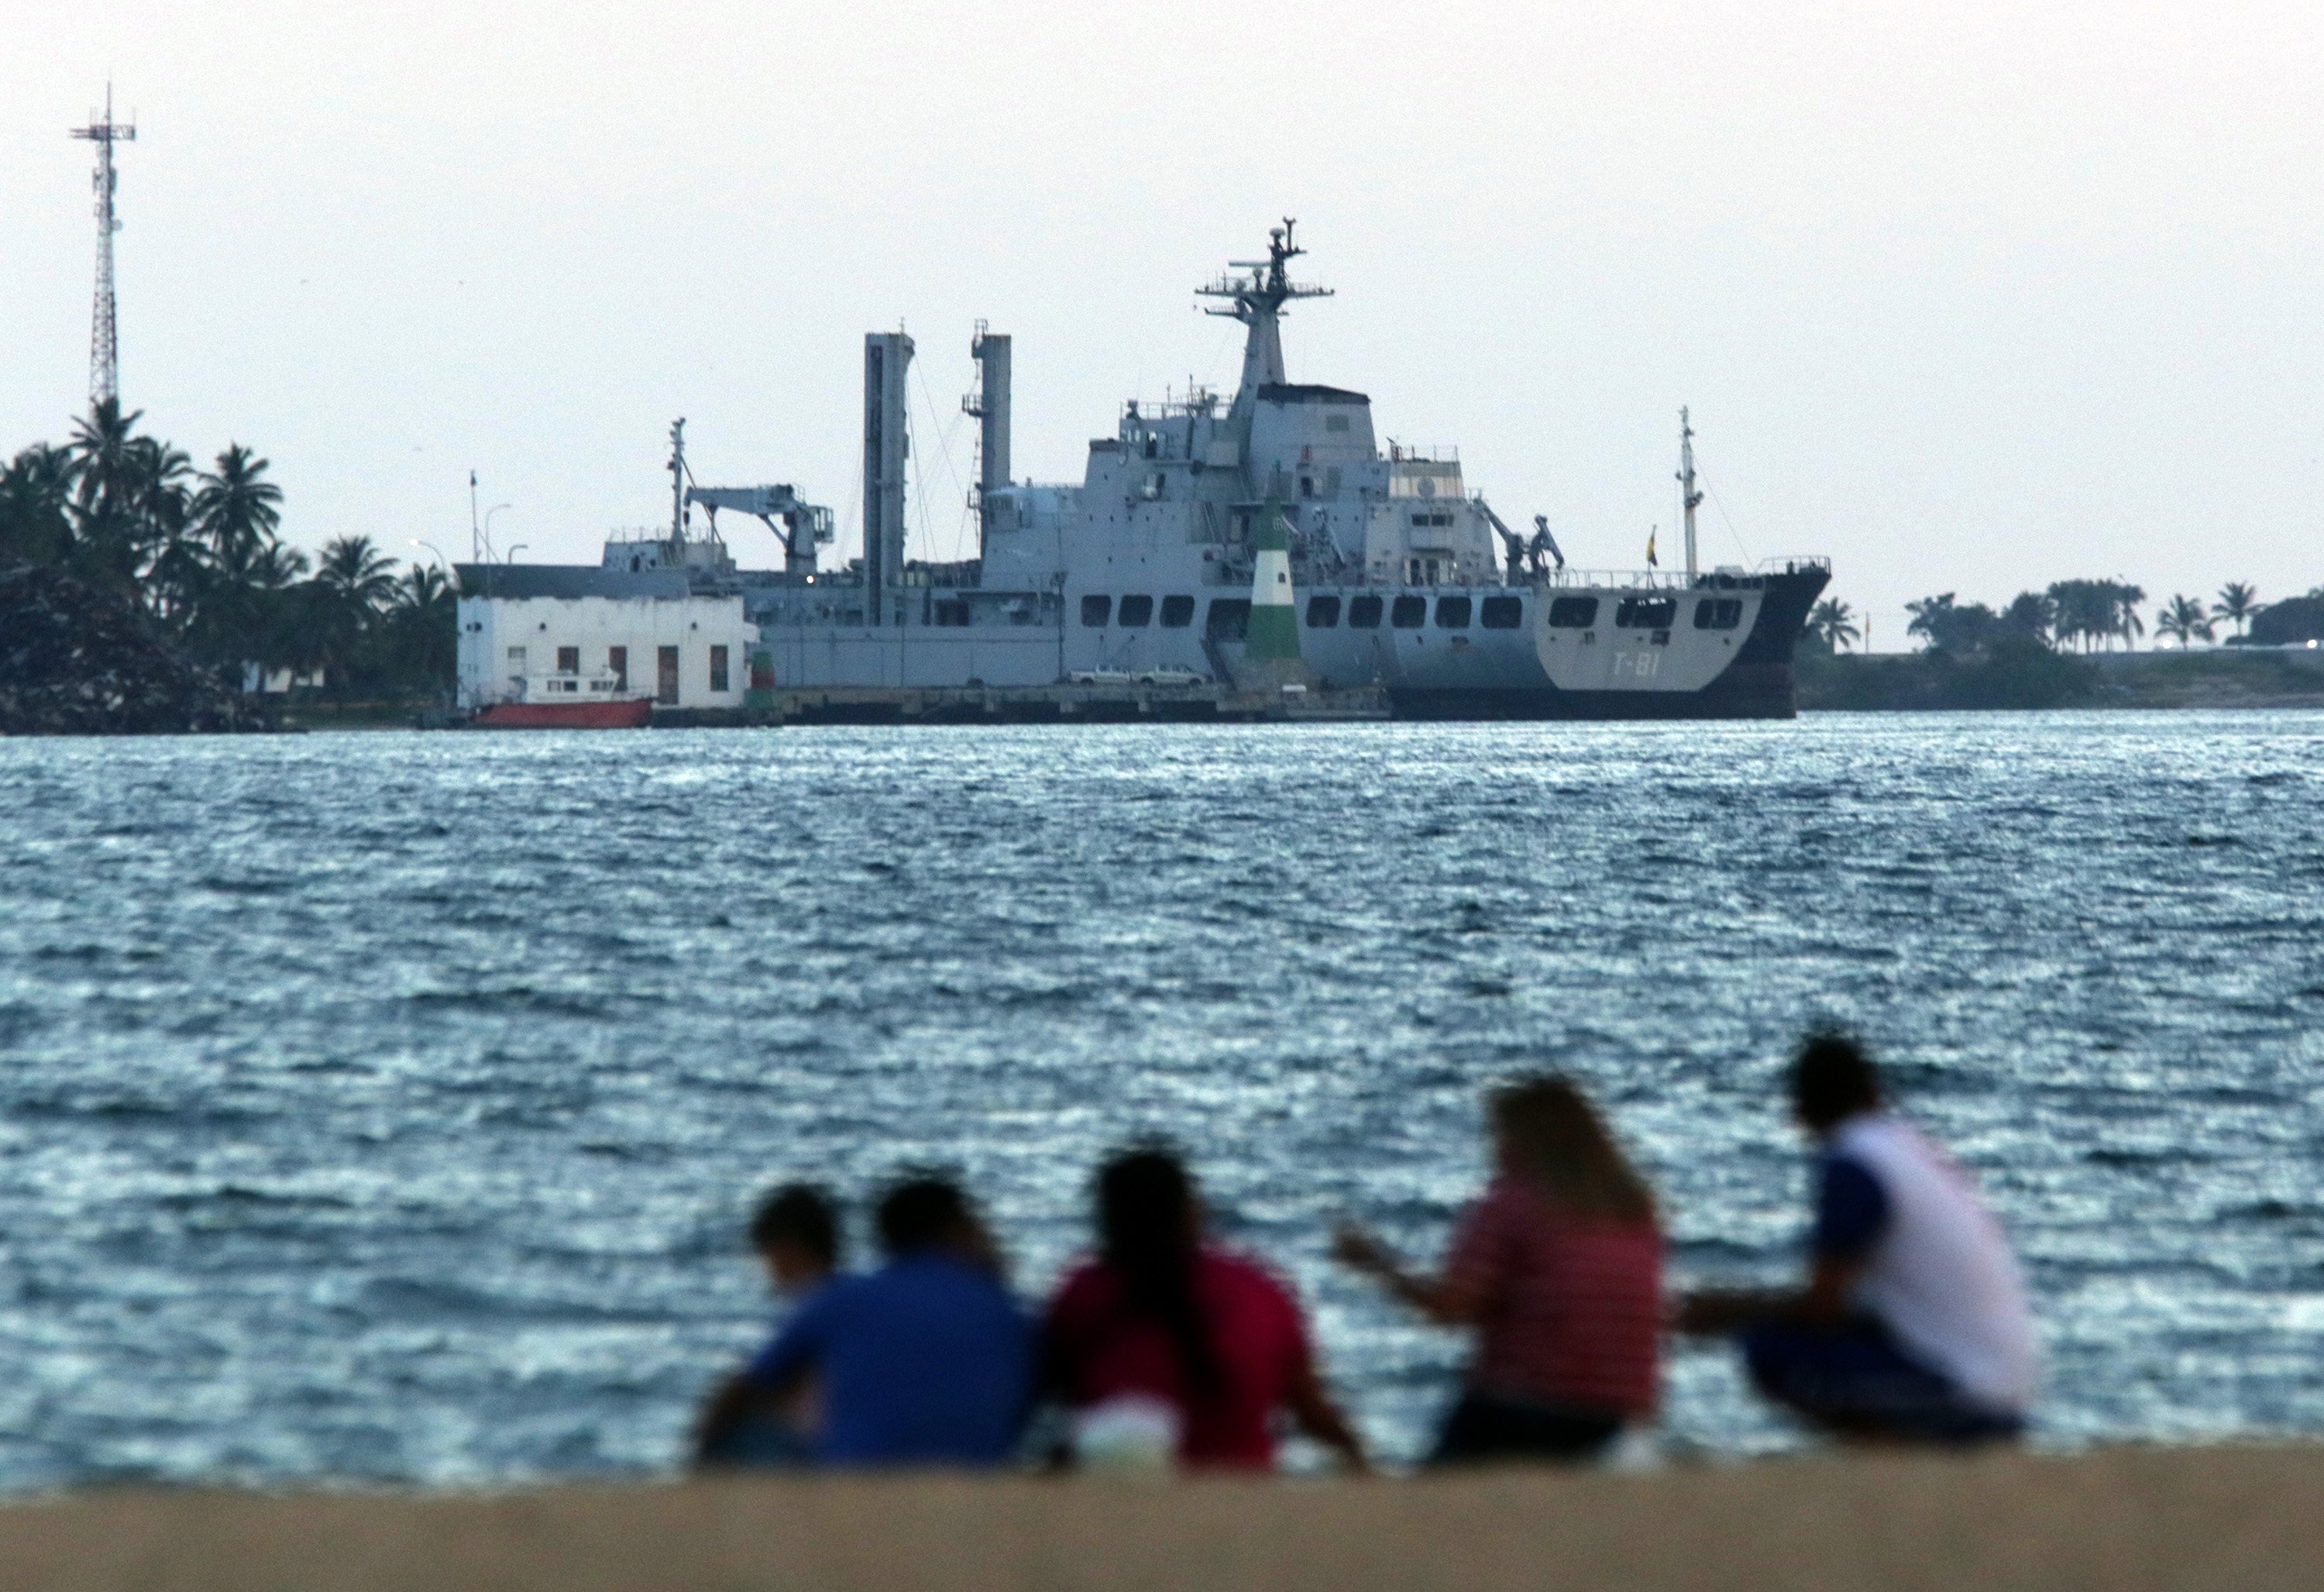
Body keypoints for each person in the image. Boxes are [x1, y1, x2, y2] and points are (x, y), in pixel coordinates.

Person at [1673, 1031, 2037, 1443]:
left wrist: (1725, 1313)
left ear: (1805, 1107)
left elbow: (1822, 1308)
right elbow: (1858, 1310)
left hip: (1966, 1393)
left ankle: (1878, 1454)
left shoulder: (1855, 1163)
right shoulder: (1909, 1148)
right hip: (2007, 1383)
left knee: (1770, 1351)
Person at [1335, 1076, 1663, 1465]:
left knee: (1430, 1505)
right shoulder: (1634, 1211)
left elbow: (1453, 1307)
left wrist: (1377, 1265)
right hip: (1621, 1412)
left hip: (1525, 1405)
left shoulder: (1514, 1202)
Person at [1042, 1147, 1367, 1471]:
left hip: (1117, 1503)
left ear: (1107, 1220)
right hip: (1245, 1500)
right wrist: (1364, 1464)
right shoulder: (1255, 1290)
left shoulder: (1083, 1294)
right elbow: (1314, 1413)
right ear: (1190, 1212)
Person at [733, 1176, 1033, 1466]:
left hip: (855, 1478)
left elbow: (747, 1389)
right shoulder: (1007, 1314)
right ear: (959, 1230)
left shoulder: (847, 1299)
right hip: (976, 1478)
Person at [693, 1183, 844, 1467]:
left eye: (768, 1256)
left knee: (741, 1433)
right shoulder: (857, 1296)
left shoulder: (820, 1306)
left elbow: (744, 1390)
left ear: (787, 1250)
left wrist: (700, 1450)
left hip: (843, 1458)